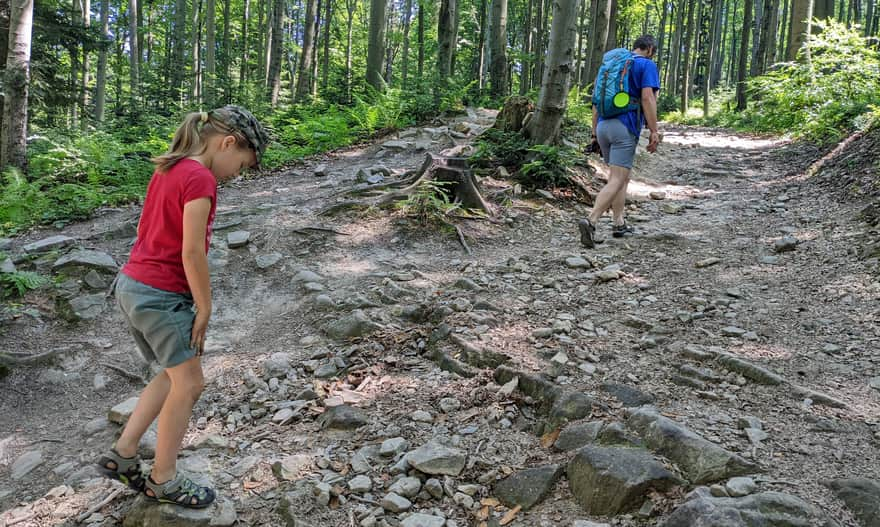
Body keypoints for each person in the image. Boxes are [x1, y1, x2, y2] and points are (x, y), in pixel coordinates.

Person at [98, 106, 269, 508]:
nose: (236, 174)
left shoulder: (172, 166)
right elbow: (191, 251)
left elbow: (148, 229)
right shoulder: (201, 179)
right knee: (191, 384)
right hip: (161, 295)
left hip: (133, 285)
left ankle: (122, 455)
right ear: (228, 143)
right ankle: (163, 479)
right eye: (242, 165)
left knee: (173, 374)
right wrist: (204, 307)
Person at [579, 35, 661, 247]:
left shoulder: (611, 67)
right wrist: (654, 130)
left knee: (621, 177)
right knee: (616, 178)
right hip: (624, 127)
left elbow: (596, 102)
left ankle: (619, 222)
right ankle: (591, 220)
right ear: (650, 49)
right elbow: (647, 98)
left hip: (604, 127)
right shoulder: (646, 65)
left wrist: (594, 133)